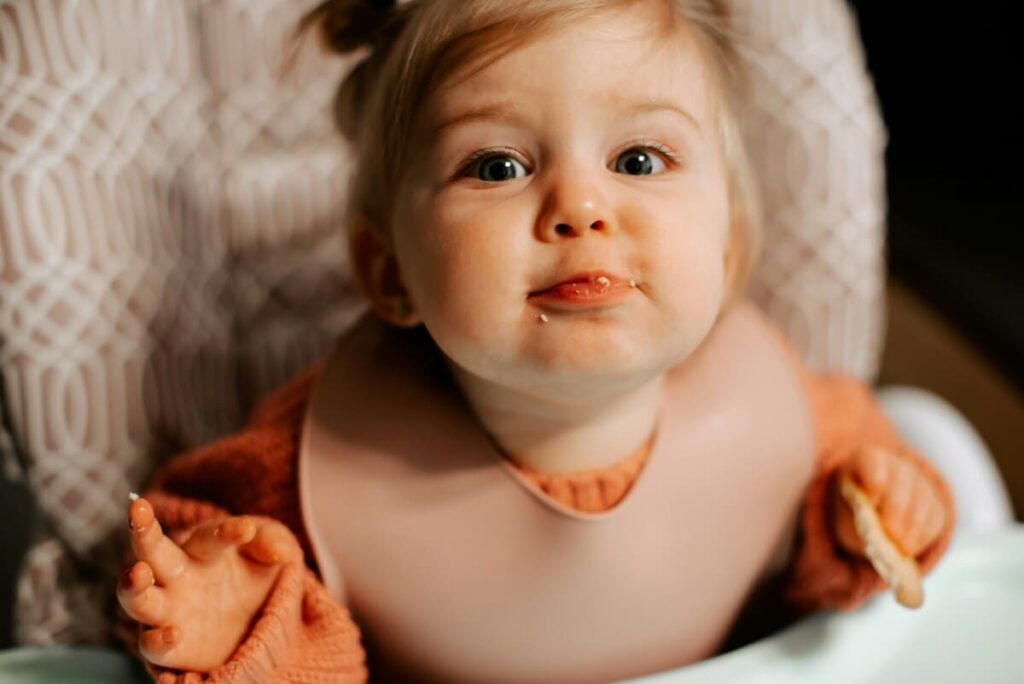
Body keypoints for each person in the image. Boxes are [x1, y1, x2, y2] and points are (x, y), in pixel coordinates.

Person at [116, 0, 955, 681]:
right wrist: (236, 620)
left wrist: (879, 515)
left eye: (638, 158)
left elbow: (827, 586)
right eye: (497, 167)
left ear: (728, 249)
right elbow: (227, 580)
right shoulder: (304, 468)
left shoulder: (790, 411)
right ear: (390, 274)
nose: (581, 206)